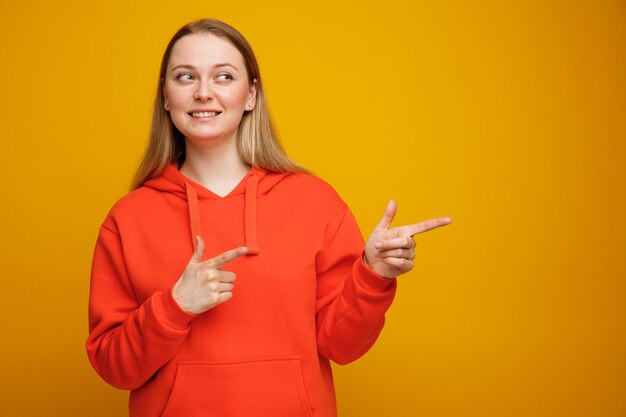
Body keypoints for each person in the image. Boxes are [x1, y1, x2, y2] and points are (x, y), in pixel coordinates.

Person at [86, 18, 451, 417]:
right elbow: (113, 366)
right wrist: (175, 306)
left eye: (223, 76)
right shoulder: (129, 218)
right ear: (166, 97)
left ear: (250, 95)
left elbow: (343, 347)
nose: (203, 92)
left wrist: (372, 275)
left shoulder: (314, 202)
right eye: (186, 77)